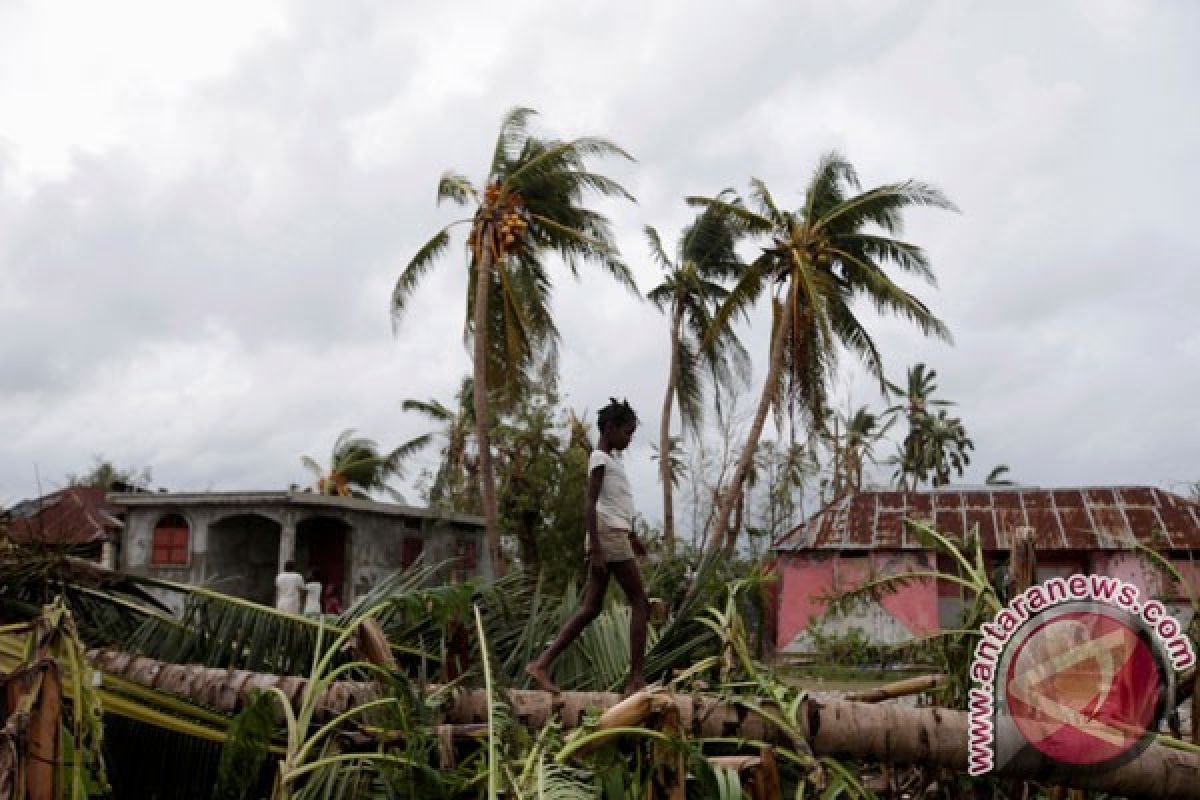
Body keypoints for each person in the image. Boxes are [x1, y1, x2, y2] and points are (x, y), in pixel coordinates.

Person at [526, 397, 649, 695]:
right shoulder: (599, 459)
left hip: (612, 534)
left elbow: (613, 504)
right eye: (627, 432)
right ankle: (635, 679)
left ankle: (541, 664)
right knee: (640, 602)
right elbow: (591, 503)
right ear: (610, 428)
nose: (630, 439)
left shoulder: (611, 462)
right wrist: (595, 547)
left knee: (591, 608)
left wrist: (632, 537)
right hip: (606, 537)